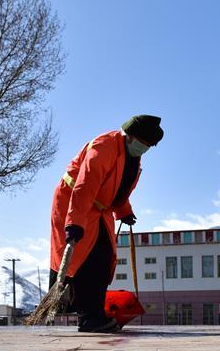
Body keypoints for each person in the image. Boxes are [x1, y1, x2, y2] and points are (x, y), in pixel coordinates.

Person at [49, 115, 164, 332]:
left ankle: (94, 314)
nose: (145, 148)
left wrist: (124, 212)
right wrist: (74, 222)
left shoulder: (132, 158)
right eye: (143, 143)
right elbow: (84, 186)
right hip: (73, 202)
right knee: (87, 260)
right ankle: (89, 317)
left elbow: (118, 189)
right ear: (129, 136)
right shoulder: (104, 148)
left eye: (149, 146)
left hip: (100, 209)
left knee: (104, 258)